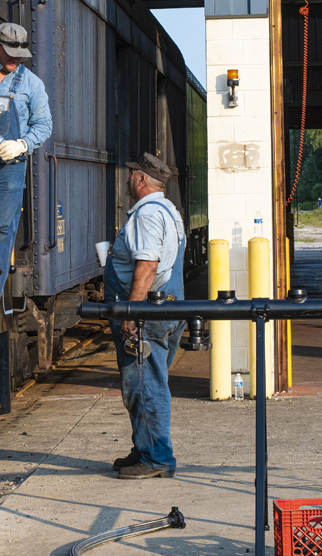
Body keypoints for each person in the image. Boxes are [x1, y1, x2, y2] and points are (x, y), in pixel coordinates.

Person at [103, 152, 186, 480]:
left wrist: (132, 313)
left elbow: (148, 266)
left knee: (144, 383)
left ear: (140, 179)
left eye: (130, 174)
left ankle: (156, 458)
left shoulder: (147, 215)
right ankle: (145, 447)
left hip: (147, 314)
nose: (127, 180)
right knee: (149, 380)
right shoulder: (169, 211)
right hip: (168, 305)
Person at [0, 23, 52, 316]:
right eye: (9, 53)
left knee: (1, 227)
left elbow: (44, 125)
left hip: (10, 166)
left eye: (19, 54)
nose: (15, 60)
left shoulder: (31, 84)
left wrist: (22, 145)